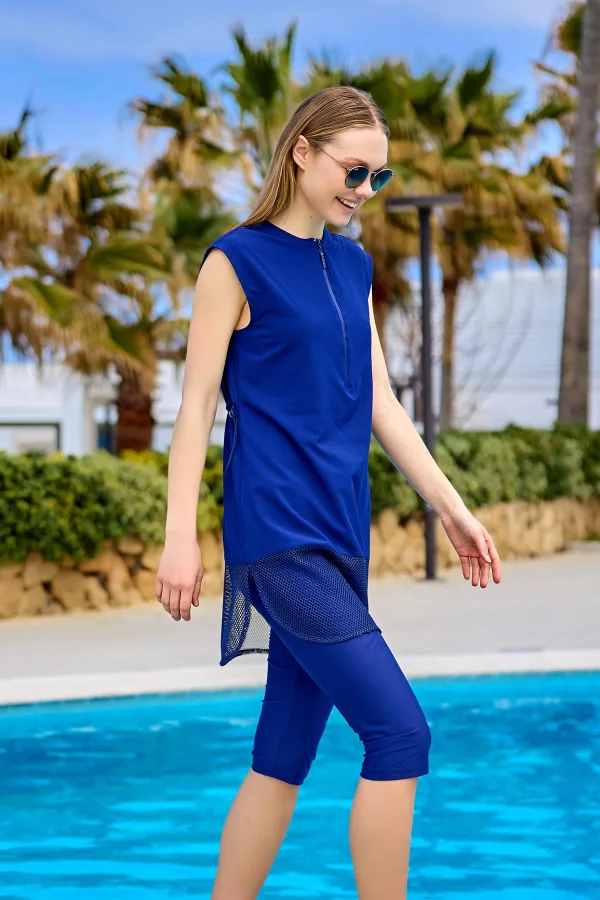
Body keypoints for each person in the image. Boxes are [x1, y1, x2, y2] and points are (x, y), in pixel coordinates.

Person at [155, 85, 502, 900]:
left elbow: (381, 402)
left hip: (341, 532)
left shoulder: (353, 265)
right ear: (302, 152)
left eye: (379, 177)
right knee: (400, 735)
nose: (364, 190)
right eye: (354, 171)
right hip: (278, 535)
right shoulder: (233, 261)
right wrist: (179, 536)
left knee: (283, 756)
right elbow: (196, 407)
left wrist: (452, 508)